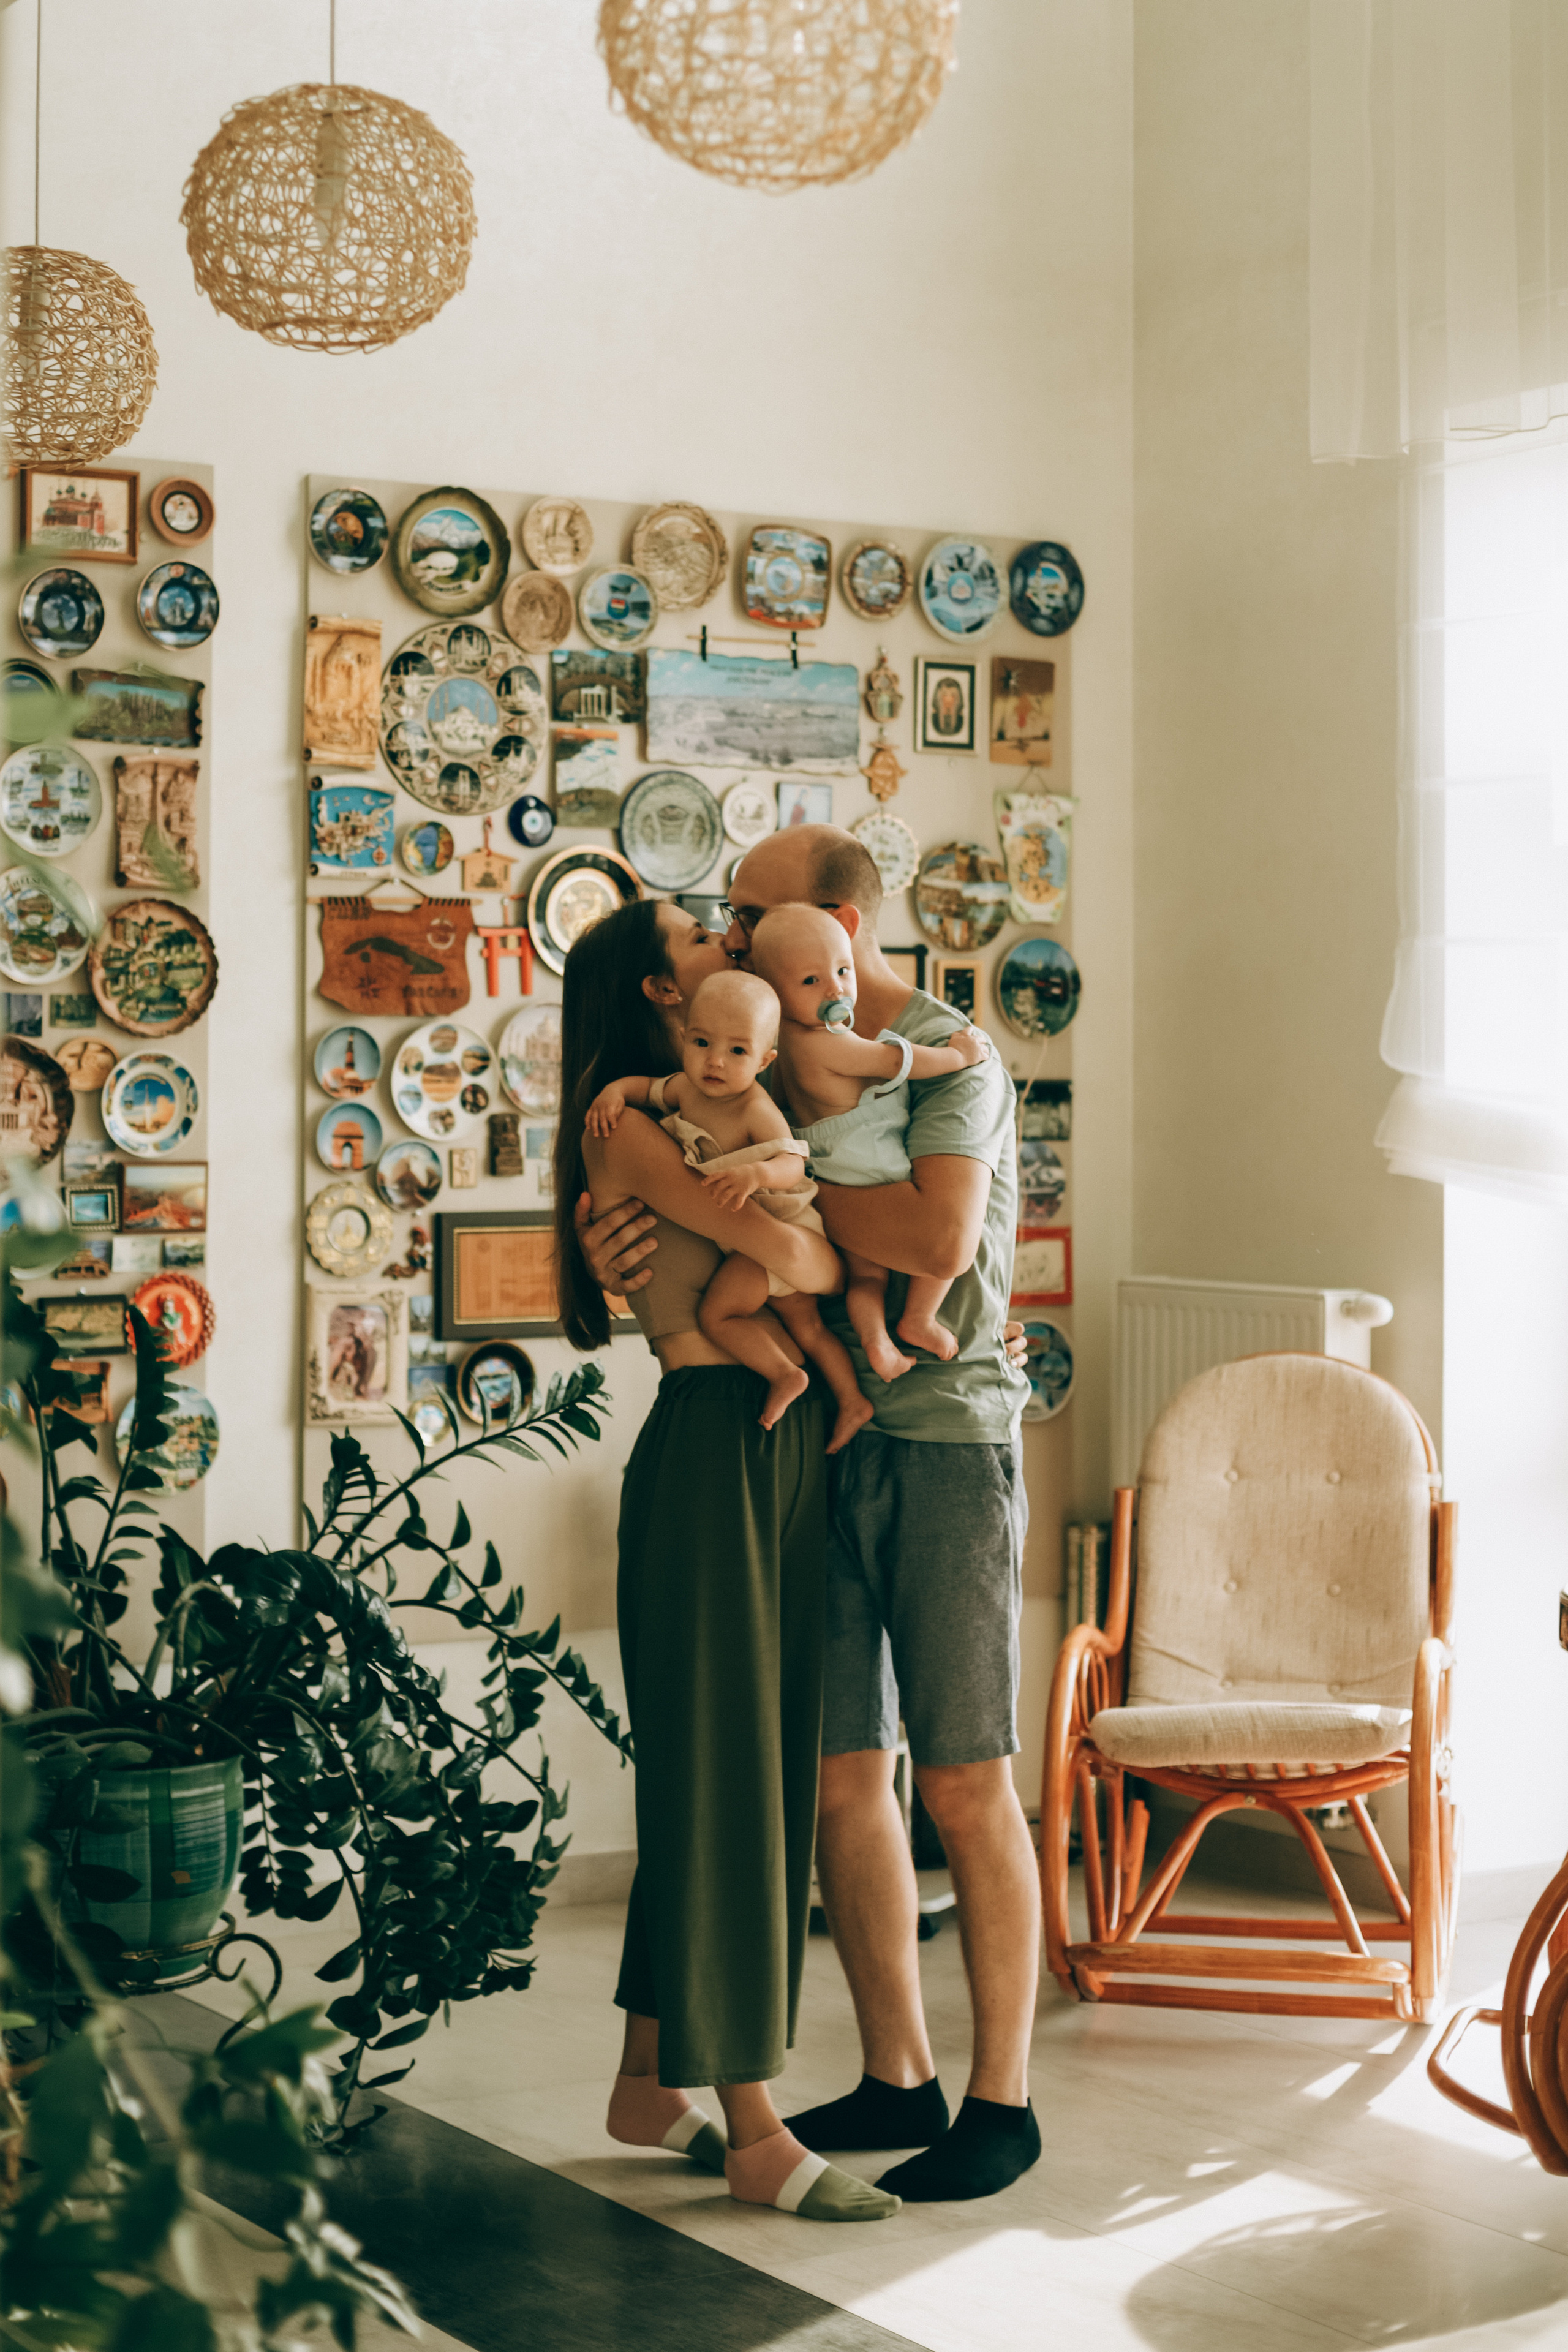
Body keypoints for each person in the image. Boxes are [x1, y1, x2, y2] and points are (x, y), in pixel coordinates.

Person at [576, 827, 1041, 2204]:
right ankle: (895, 2071)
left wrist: (799, 1228)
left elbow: (936, 1245)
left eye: (748, 911)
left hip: (946, 1437)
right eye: (720, 923)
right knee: (843, 1770)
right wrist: (634, 1237)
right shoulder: (749, 1048)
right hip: (821, 1448)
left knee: (961, 1776)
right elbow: (697, 1209)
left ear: (832, 925)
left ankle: (999, 2098)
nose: (727, 934)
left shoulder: (948, 1050)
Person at [552, 897, 900, 2226]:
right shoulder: (633, 1122)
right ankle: (754, 2125)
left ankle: (649, 2084)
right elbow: (798, 1248)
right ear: (657, 993)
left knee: (742, 1765)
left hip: (767, 1443)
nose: (725, 938)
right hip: (712, 1446)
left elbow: (800, 1243)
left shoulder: (711, 1092)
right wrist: (799, 1232)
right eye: (699, 935)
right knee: (731, 1787)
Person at [585, 965, 872, 1452]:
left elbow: (793, 1163)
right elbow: (645, 1087)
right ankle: (850, 1399)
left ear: (765, 1060)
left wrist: (758, 1174)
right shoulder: (679, 1093)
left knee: (721, 1314)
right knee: (808, 1325)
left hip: (784, 1227)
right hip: (725, 1378)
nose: (715, 1061)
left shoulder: (754, 1107)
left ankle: (791, 1377)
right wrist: (612, 1091)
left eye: (737, 1051)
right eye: (702, 1043)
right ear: (681, 1030)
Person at [748, 902, 990, 1375]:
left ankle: (877, 1343)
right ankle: (919, 1318)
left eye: (842, 969)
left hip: (829, 1159)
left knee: (866, 1276)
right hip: (869, 1155)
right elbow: (893, 1060)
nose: (835, 988)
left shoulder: (784, 1046)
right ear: (776, 992)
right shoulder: (827, 1041)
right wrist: (958, 1057)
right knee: (955, 1237)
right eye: (810, 981)